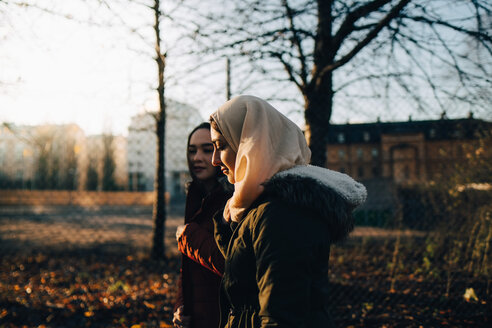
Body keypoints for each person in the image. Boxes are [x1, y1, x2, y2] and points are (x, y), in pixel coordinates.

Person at [209, 95, 367, 328]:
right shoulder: (259, 208)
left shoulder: (281, 214)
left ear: (251, 145)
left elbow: (281, 317)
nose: (214, 160)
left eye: (221, 146)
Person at [173, 122, 233, 328]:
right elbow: (189, 266)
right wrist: (181, 306)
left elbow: (231, 264)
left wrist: (188, 236)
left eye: (207, 150)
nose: (197, 157)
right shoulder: (195, 195)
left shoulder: (234, 200)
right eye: (192, 151)